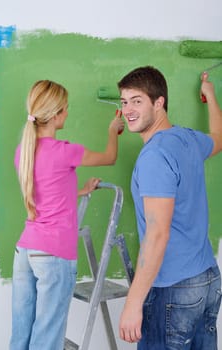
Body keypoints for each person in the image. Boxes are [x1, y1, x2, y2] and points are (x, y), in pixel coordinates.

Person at [10, 79, 124, 350]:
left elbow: (47, 194)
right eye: (66, 108)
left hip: (25, 251)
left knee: (21, 333)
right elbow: (110, 157)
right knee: (47, 338)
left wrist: (81, 191)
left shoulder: (23, 152)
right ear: (56, 113)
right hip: (53, 254)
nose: (68, 113)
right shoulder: (65, 151)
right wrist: (113, 130)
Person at [118, 66, 222, 349]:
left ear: (159, 102)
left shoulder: (155, 156)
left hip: (173, 290)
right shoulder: (187, 139)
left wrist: (133, 302)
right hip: (207, 280)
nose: (128, 109)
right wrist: (210, 96)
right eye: (124, 101)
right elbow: (218, 137)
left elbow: (157, 234)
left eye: (137, 101)